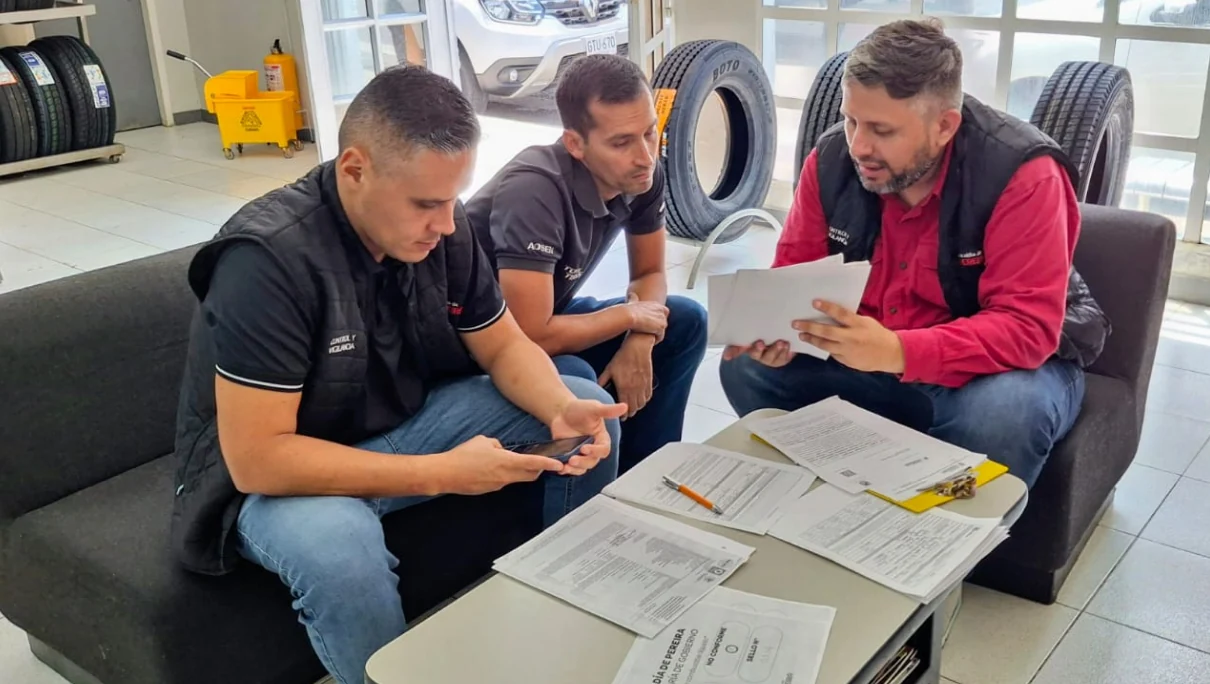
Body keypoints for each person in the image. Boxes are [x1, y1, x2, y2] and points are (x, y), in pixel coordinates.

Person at [169, 65, 627, 684]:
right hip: (277, 476)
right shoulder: (268, 261)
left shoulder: (442, 226)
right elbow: (258, 459)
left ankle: (568, 618)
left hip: (398, 424)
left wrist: (555, 408)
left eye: (452, 200)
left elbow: (502, 345)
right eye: (425, 204)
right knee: (341, 551)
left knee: (581, 405)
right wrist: (442, 474)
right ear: (355, 169)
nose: (445, 225)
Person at [719, 18, 1109, 489]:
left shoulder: (1024, 175)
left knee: (1004, 416)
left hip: (990, 370)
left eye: (882, 130)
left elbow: (1026, 329)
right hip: (869, 356)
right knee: (746, 369)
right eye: (851, 120)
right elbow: (794, 279)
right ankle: (828, 508)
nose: (859, 145)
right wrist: (778, 336)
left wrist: (898, 350)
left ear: (944, 126)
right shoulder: (830, 160)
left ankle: (951, 552)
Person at [465, 54, 708, 475]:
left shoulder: (642, 174)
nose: (645, 156)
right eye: (621, 142)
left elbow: (650, 274)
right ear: (575, 144)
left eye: (649, 132)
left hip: (545, 318)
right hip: (482, 346)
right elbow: (529, 334)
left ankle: (648, 477)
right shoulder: (534, 189)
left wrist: (638, 337)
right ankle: (599, 500)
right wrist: (628, 315)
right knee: (575, 376)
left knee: (685, 321)